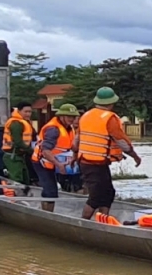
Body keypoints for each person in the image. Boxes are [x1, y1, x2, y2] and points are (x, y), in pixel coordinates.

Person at [75, 87, 141, 220]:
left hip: (89, 162)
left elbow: (76, 140)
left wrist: (74, 155)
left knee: (108, 193)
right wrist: (135, 156)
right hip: (94, 163)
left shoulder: (86, 116)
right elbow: (121, 141)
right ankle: (83, 223)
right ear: (111, 103)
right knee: (96, 197)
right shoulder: (109, 118)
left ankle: (103, 220)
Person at [31, 103, 79, 212]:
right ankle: (47, 214)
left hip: (58, 161)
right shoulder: (53, 129)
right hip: (42, 162)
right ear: (61, 116)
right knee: (50, 191)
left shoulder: (69, 128)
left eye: (73, 117)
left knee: (72, 184)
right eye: (69, 116)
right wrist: (59, 164)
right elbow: (45, 150)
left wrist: (75, 157)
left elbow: (70, 146)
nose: (72, 119)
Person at [1, 102, 36, 187]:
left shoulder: (24, 122)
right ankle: (15, 198)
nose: (28, 114)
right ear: (19, 111)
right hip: (13, 156)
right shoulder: (16, 123)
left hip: (20, 155)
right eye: (26, 111)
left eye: (30, 112)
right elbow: (18, 141)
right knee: (17, 180)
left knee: (25, 179)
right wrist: (32, 152)